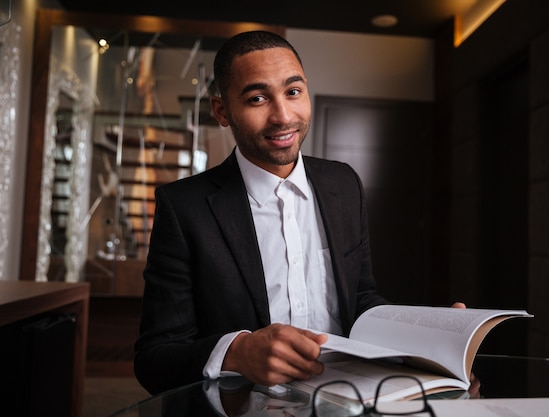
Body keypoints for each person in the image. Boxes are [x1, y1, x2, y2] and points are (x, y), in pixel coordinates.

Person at [134, 30, 464, 396]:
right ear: (222, 111)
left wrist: (424, 331)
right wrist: (237, 353)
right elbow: (154, 358)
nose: (283, 116)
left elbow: (360, 298)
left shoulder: (344, 183)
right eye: (258, 98)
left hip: (350, 399)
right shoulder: (184, 207)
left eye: (293, 92)